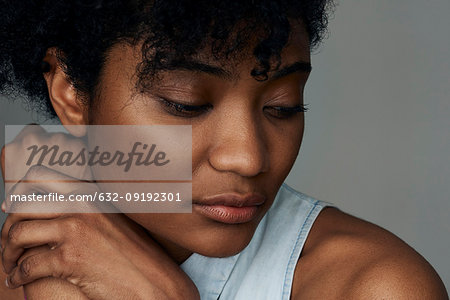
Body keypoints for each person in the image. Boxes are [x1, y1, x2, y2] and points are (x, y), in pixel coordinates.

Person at [0, 0, 448, 299]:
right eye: (186, 103)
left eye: (282, 106)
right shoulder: (23, 267)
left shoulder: (375, 286)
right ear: (70, 92)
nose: (248, 158)